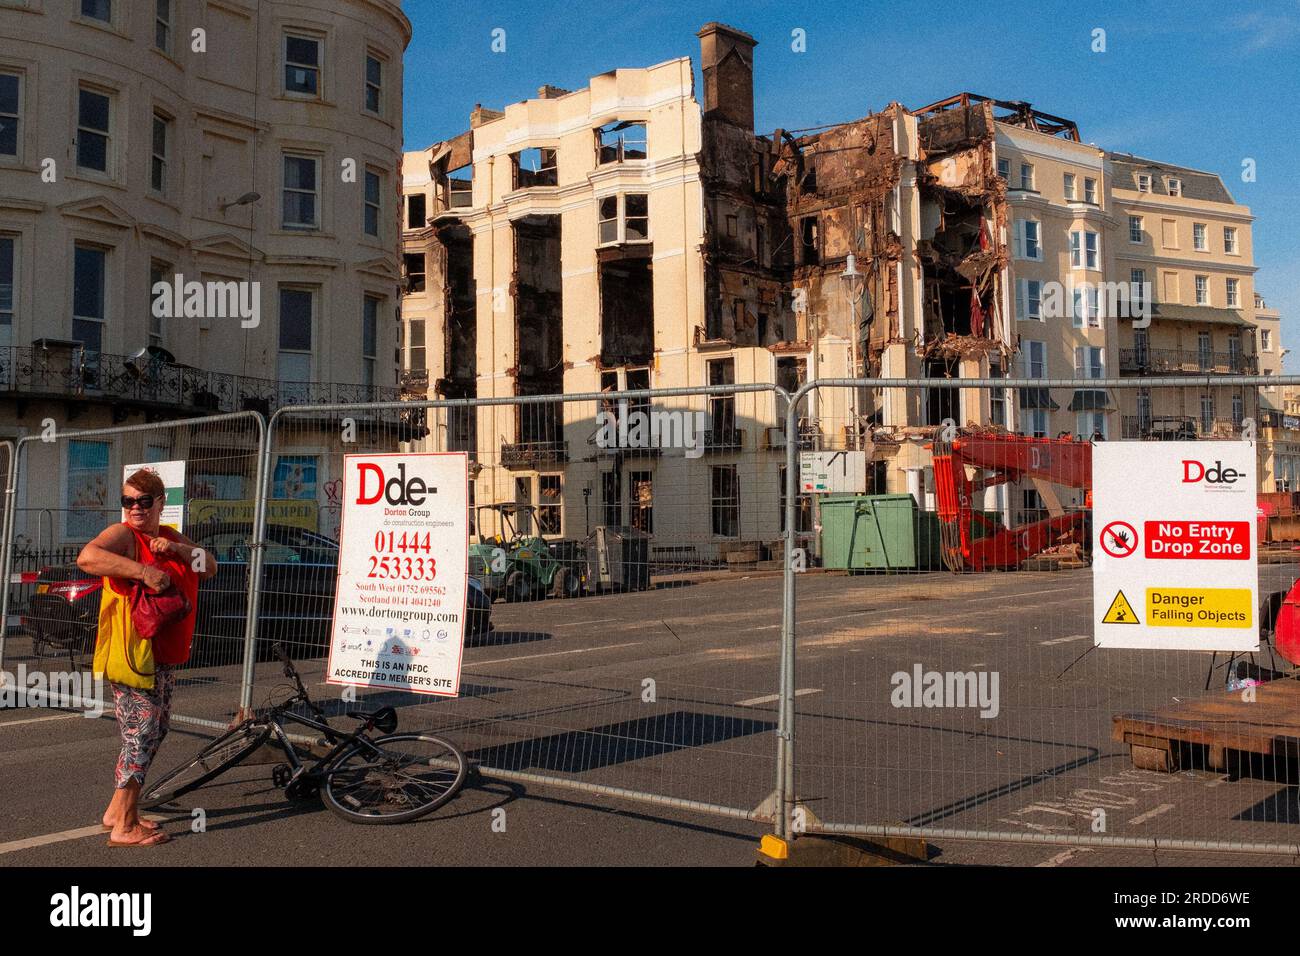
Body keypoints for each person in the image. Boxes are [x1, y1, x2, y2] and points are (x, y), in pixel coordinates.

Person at [77, 469, 218, 847]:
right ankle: (124, 826)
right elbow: (87, 558)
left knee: (155, 730)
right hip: (133, 655)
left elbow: (210, 565)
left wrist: (174, 550)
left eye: (143, 501)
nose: (135, 509)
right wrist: (143, 572)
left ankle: (117, 811)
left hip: (163, 658)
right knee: (140, 735)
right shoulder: (124, 535)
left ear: (161, 503)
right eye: (128, 501)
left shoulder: (169, 537)